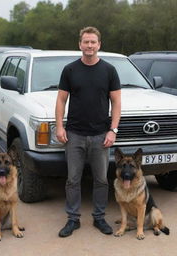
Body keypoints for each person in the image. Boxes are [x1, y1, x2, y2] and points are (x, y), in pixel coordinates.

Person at [55, 26, 121, 237]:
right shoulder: (70, 70)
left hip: (101, 135)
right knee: (72, 180)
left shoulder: (109, 70)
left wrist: (113, 130)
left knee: (101, 180)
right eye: (86, 42)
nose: (89, 45)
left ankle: (99, 218)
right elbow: (61, 99)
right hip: (74, 134)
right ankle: (73, 219)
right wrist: (59, 126)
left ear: (99, 45)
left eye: (93, 42)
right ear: (80, 44)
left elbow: (116, 102)